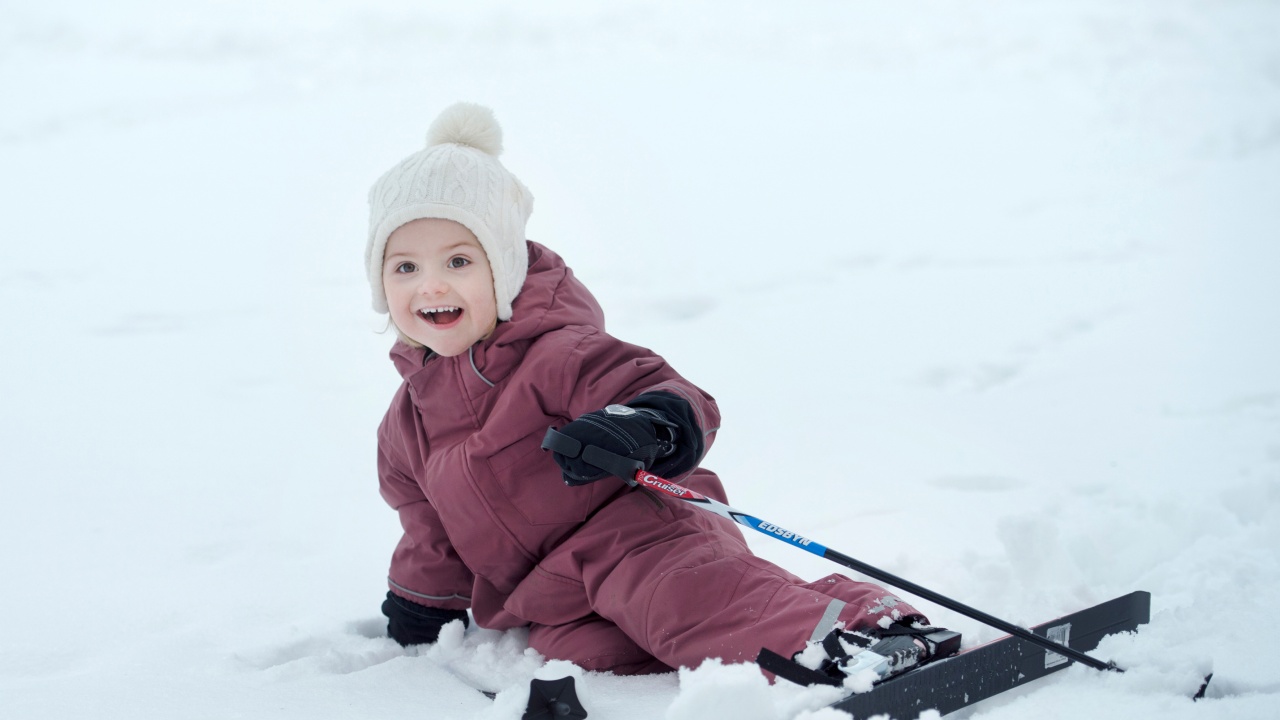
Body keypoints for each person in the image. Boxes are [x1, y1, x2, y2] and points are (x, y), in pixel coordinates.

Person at [365, 102, 946, 678]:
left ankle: (847, 638)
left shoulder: (557, 353)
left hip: (643, 534)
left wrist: (644, 421)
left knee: (678, 601)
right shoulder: (406, 428)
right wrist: (421, 603)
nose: (431, 284)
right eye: (405, 267)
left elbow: (661, 389)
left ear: (505, 270)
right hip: (557, 590)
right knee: (588, 652)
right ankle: (823, 616)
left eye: (459, 260)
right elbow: (430, 530)